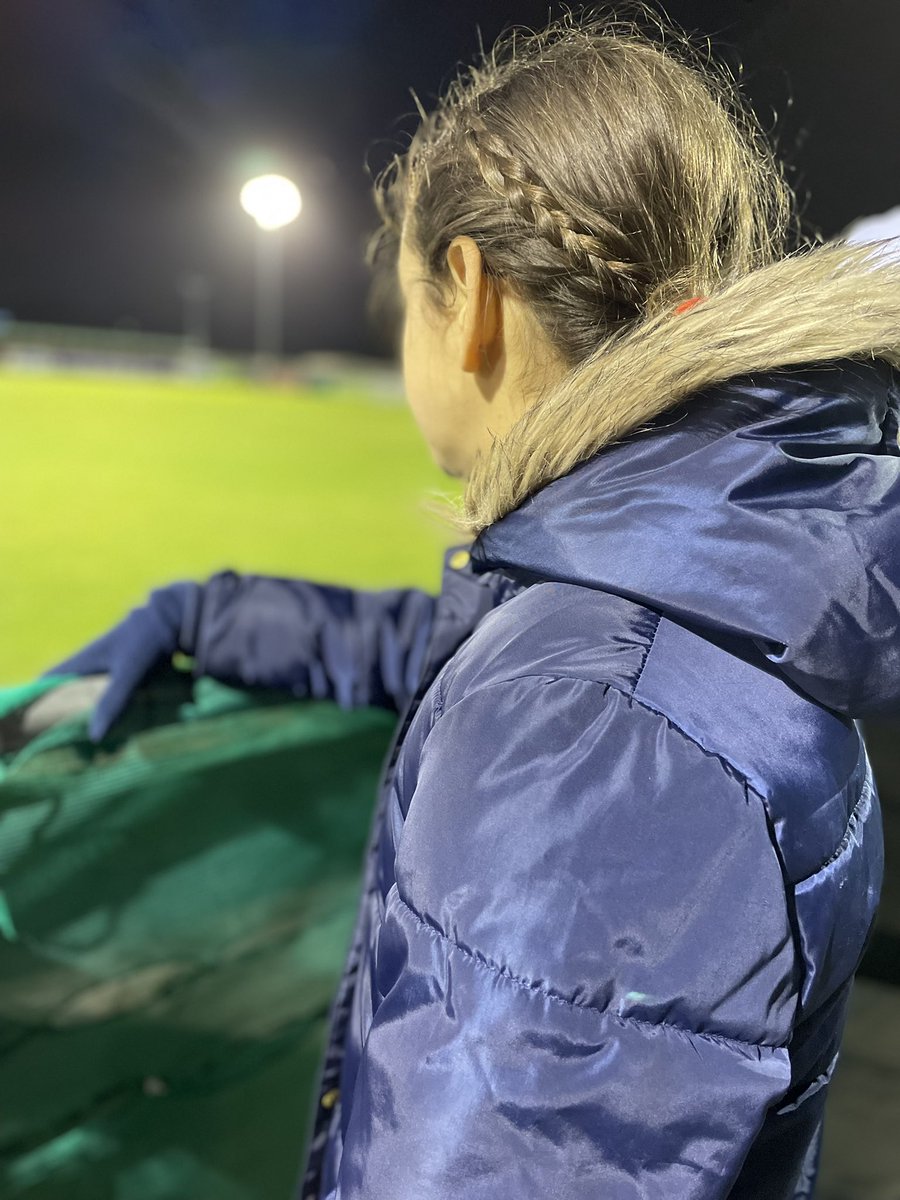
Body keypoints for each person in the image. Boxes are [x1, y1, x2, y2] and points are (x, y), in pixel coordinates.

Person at [45, 10, 900, 1199]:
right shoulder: (673, 590)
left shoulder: (588, 736)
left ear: (471, 292)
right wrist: (221, 615)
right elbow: (481, 653)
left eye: (406, 299)